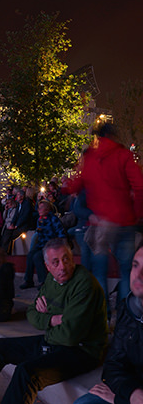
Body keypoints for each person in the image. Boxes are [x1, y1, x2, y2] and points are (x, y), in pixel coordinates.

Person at [0, 238, 108, 404]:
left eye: (66, 260)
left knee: (26, 372)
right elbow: (32, 314)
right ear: (47, 267)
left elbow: (70, 336)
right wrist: (53, 319)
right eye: (55, 262)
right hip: (55, 340)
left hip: (83, 350)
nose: (63, 267)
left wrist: (49, 319)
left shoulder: (84, 284)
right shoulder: (51, 280)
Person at [66, 123, 143, 304]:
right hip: (124, 221)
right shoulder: (123, 155)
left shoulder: (89, 158)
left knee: (99, 272)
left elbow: (74, 185)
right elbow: (139, 186)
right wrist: (137, 213)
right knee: (126, 272)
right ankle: (126, 316)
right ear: (113, 135)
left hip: (100, 224)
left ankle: (104, 317)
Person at [77, 245, 143, 404]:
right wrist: (131, 393)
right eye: (135, 265)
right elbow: (113, 365)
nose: (139, 275)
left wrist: (121, 400)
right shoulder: (127, 308)